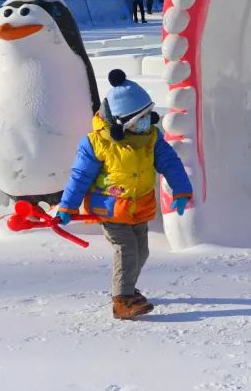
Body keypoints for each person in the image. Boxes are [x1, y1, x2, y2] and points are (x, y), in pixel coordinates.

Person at [55, 70, 193, 320]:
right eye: (139, 120)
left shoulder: (151, 137)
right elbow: (80, 177)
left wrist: (181, 189)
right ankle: (122, 301)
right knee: (126, 249)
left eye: (148, 116)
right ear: (120, 124)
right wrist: (67, 207)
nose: (146, 123)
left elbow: (170, 163)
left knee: (142, 252)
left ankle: (128, 287)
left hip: (140, 207)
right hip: (110, 208)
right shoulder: (98, 143)